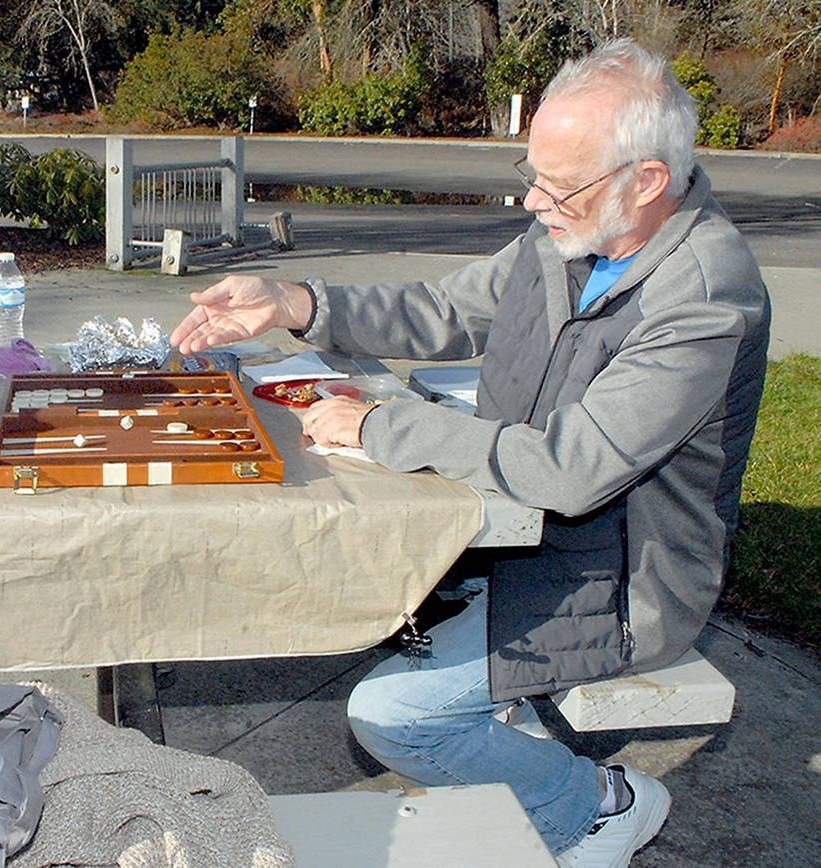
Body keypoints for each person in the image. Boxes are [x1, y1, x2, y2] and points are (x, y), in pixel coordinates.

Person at [171, 39, 769, 867]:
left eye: (558, 184)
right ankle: (504, 713)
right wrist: (291, 301)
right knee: (325, 578)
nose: (532, 199)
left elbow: (574, 467)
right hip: (509, 534)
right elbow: (443, 312)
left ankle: (594, 807)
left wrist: (381, 423)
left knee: (396, 718)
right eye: (532, 171)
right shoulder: (570, 234)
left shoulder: (703, 297)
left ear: (648, 182)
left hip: (625, 581)